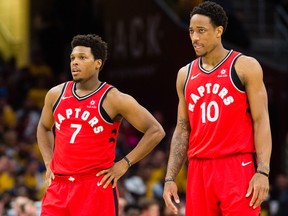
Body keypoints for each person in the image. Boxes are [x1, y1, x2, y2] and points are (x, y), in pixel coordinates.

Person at [162, 1, 272, 216]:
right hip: (198, 169)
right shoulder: (184, 74)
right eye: (191, 31)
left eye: (201, 31)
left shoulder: (245, 66)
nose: (194, 37)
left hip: (236, 165)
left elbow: (261, 120)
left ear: (219, 31)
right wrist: (169, 177)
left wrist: (263, 170)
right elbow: (183, 128)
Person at [37, 34, 165, 215]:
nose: (75, 62)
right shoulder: (55, 94)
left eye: (82, 58)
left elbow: (155, 130)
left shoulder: (114, 98)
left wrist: (125, 164)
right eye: (73, 58)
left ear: (98, 63)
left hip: (94, 186)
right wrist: (48, 161)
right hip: (59, 186)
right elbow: (43, 127)